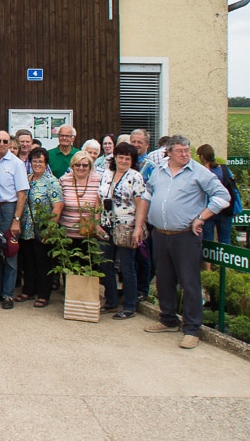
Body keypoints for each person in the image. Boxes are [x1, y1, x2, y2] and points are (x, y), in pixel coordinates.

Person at [134, 135, 229, 349]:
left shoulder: (199, 172)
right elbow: (146, 198)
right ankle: (168, 319)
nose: (185, 154)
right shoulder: (159, 171)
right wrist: (139, 227)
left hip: (185, 235)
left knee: (189, 282)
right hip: (160, 234)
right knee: (164, 279)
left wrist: (202, 217)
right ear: (168, 152)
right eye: (180, 151)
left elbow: (222, 197)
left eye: (187, 150)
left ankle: (192, 328)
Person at [0, 130, 29, 308]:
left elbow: (22, 194)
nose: (1, 144)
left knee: (10, 251)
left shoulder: (17, 164)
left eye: (5, 141)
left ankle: (8, 294)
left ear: (10, 143)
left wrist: (16, 219)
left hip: (9, 209)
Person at [98, 142, 145, 319]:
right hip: (106, 224)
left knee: (126, 266)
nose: (123, 160)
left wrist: (138, 228)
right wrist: (96, 223)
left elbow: (141, 205)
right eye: (121, 157)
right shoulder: (107, 174)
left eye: (127, 158)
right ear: (115, 158)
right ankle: (111, 301)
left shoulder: (136, 177)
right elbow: (98, 199)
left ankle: (129, 305)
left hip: (126, 226)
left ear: (132, 160)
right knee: (105, 264)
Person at [18, 147, 63, 308]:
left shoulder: (52, 181)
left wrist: (51, 227)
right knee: (28, 261)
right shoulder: (28, 179)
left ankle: (44, 294)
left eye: (40, 161)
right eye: (34, 161)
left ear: (46, 163)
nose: (37, 164)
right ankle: (28, 290)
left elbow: (58, 206)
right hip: (27, 228)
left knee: (43, 262)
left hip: (43, 228)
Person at [58, 150, 103, 271]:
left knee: (89, 268)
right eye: (77, 165)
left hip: (90, 234)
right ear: (72, 166)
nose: (81, 168)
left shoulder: (99, 180)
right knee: (69, 268)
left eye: (85, 165)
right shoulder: (64, 180)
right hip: (67, 233)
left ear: (90, 166)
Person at [196, 144, 238, 245]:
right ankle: (224, 259)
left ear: (202, 157)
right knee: (225, 240)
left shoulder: (203, 172)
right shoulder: (225, 169)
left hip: (208, 210)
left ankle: (208, 261)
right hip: (225, 210)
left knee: (207, 241)